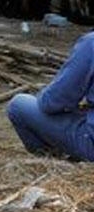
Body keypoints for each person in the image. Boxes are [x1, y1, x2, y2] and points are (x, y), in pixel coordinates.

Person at [7, 32, 94, 161]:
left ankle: (54, 162)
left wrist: (44, 94)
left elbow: (53, 102)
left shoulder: (91, 43)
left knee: (18, 105)